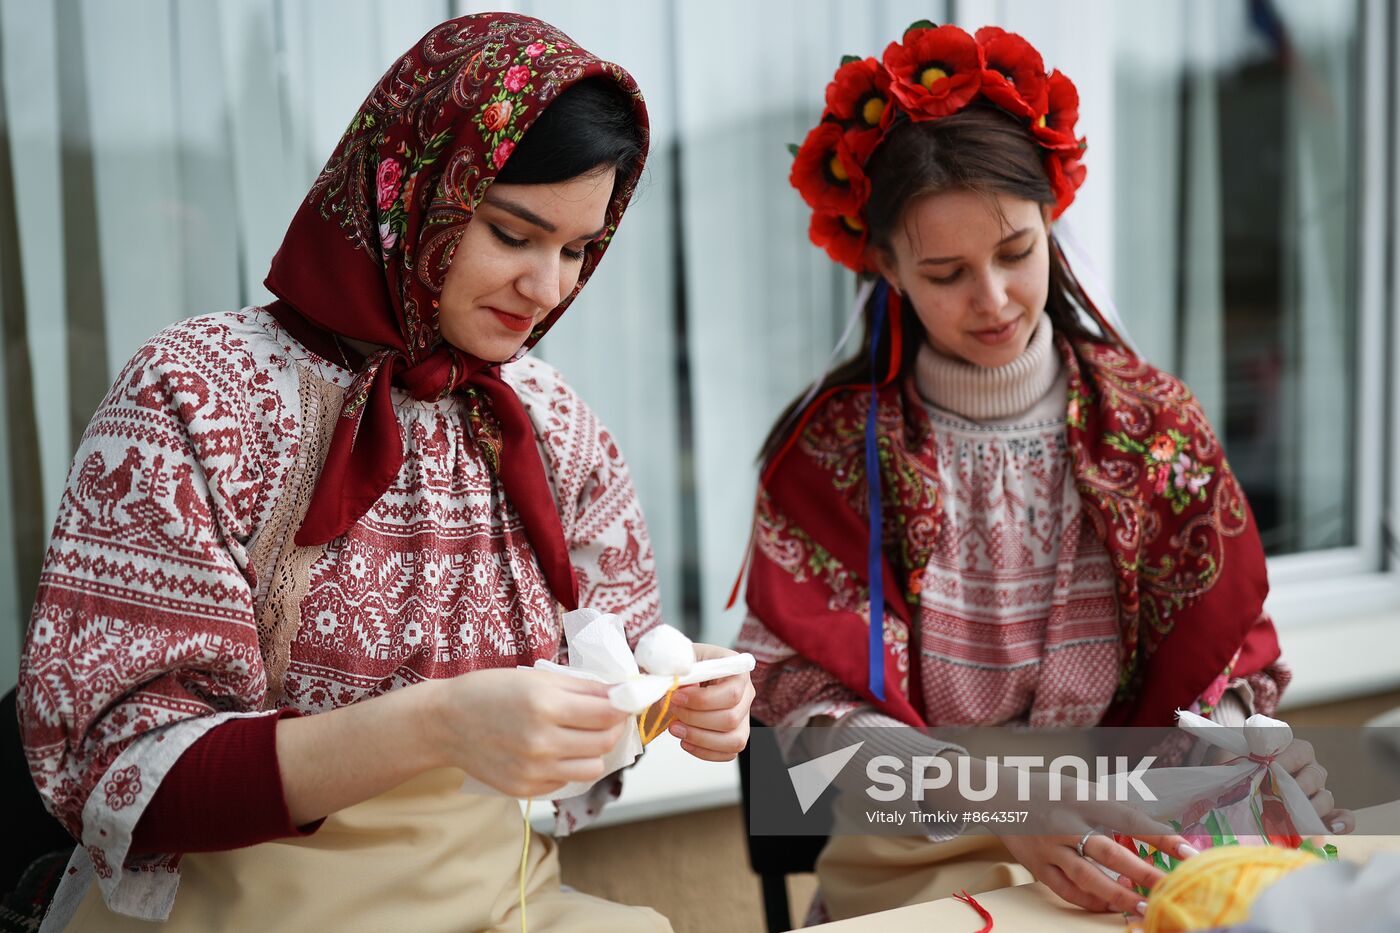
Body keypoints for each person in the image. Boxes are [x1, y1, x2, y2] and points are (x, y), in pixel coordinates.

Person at [18, 13, 752, 931]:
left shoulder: (551, 421)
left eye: (576, 249)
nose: (550, 288)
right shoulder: (200, 395)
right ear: (412, 191)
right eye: (514, 233)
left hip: (497, 903)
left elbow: (605, 688)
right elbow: (120, 776)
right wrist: (436, 724)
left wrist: (669, 701)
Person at [737, 21, 1344, 923]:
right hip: (918, 875)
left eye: (1016, 253)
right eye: (946, 272)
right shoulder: (832, 456)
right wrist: (1005, 800)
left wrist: (1246, 753)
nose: (992, 300)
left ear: (1051, 221)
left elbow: (1226, 663)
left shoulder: (1154, 429)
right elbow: (804, 729)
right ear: (885, 266)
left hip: (1134, 861)